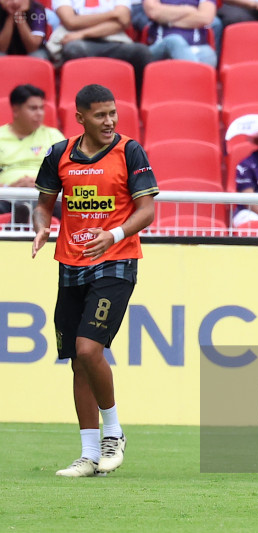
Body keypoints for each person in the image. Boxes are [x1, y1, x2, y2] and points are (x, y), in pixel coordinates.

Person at [32, 84, 158, 477]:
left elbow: (147, 209)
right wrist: (40, 228)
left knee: (89, 350)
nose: (110, 122)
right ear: (80, 117)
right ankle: (88, 455)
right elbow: (43, 204)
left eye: (113, 113)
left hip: (115, 262)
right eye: (101, 115)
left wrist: (115, 234)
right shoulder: (59, 154)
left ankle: (114, 434)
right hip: (70, 264)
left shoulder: (129, 151)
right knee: (77, 362)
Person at [53, 0, 152, 95]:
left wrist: (83, 33)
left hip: (112, 39)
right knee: (73, 49)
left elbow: (124, 21)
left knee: (141, 52)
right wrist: (113, 14)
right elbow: (71, 22)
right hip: (78, 41)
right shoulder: (114, 13)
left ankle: (137, 104)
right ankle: (80, 103)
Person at [0, 84, 65, 222]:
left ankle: (24, 213)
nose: (40, 113)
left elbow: (68, 172)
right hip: (6, 195)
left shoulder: (53, 136)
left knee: (65, 206)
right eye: (33, 108)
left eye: (42, 108)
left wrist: (42, 184)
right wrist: (8, 187)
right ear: (16, 110)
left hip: (44, 195)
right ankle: (24, 212)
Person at [143, 0, 217, 67]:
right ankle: (191, 76)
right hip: (161, 47)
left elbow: (205, 18)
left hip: (196, 47)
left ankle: (187, 72)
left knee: (208, 55)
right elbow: (153, 11)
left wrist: (168, 20)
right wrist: (188, 9)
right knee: (174, 41)